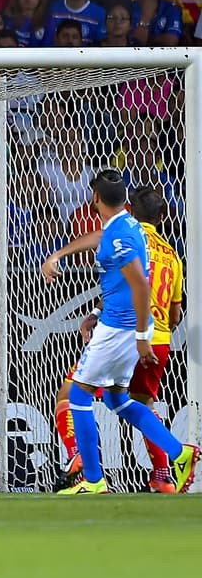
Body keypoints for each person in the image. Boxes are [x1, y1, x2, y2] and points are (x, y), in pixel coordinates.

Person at [40, 171, 199, 495]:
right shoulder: (131, 229)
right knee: (118, 400)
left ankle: (92, 478)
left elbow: (140, 284)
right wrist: (58, 255)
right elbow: (101, 238)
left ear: (96, 198)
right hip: (141, 329)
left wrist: (140, 337)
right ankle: (176, 455)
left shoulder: (123, 236)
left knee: (76, 396)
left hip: (121, 329)